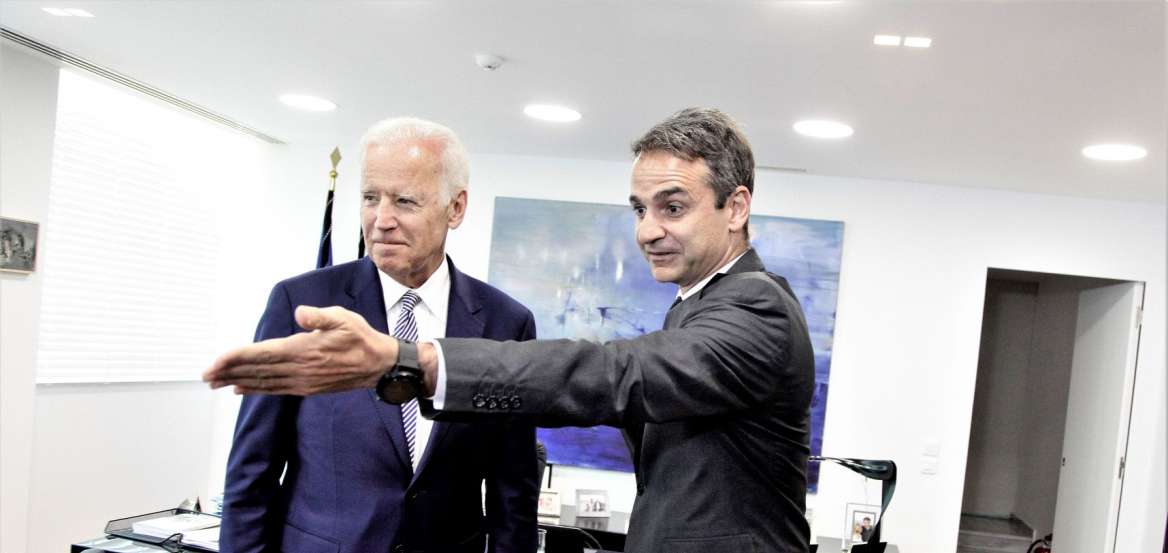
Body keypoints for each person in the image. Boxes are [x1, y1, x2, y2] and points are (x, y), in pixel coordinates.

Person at [206, 107, 815, 553]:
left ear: (735, 207)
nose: (647, 231)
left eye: (672, 208)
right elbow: (253, 473)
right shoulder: (695, 307)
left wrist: (410, 360)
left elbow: (617, 374)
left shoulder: (755, 309)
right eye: (639, 209)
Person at [218, 117, 541, 553]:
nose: (381, 219)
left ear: (456, 208)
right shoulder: (302, 305)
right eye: (370, 197)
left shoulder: (507, 325)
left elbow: (514, 494)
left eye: (404, 201)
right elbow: (251, 473)